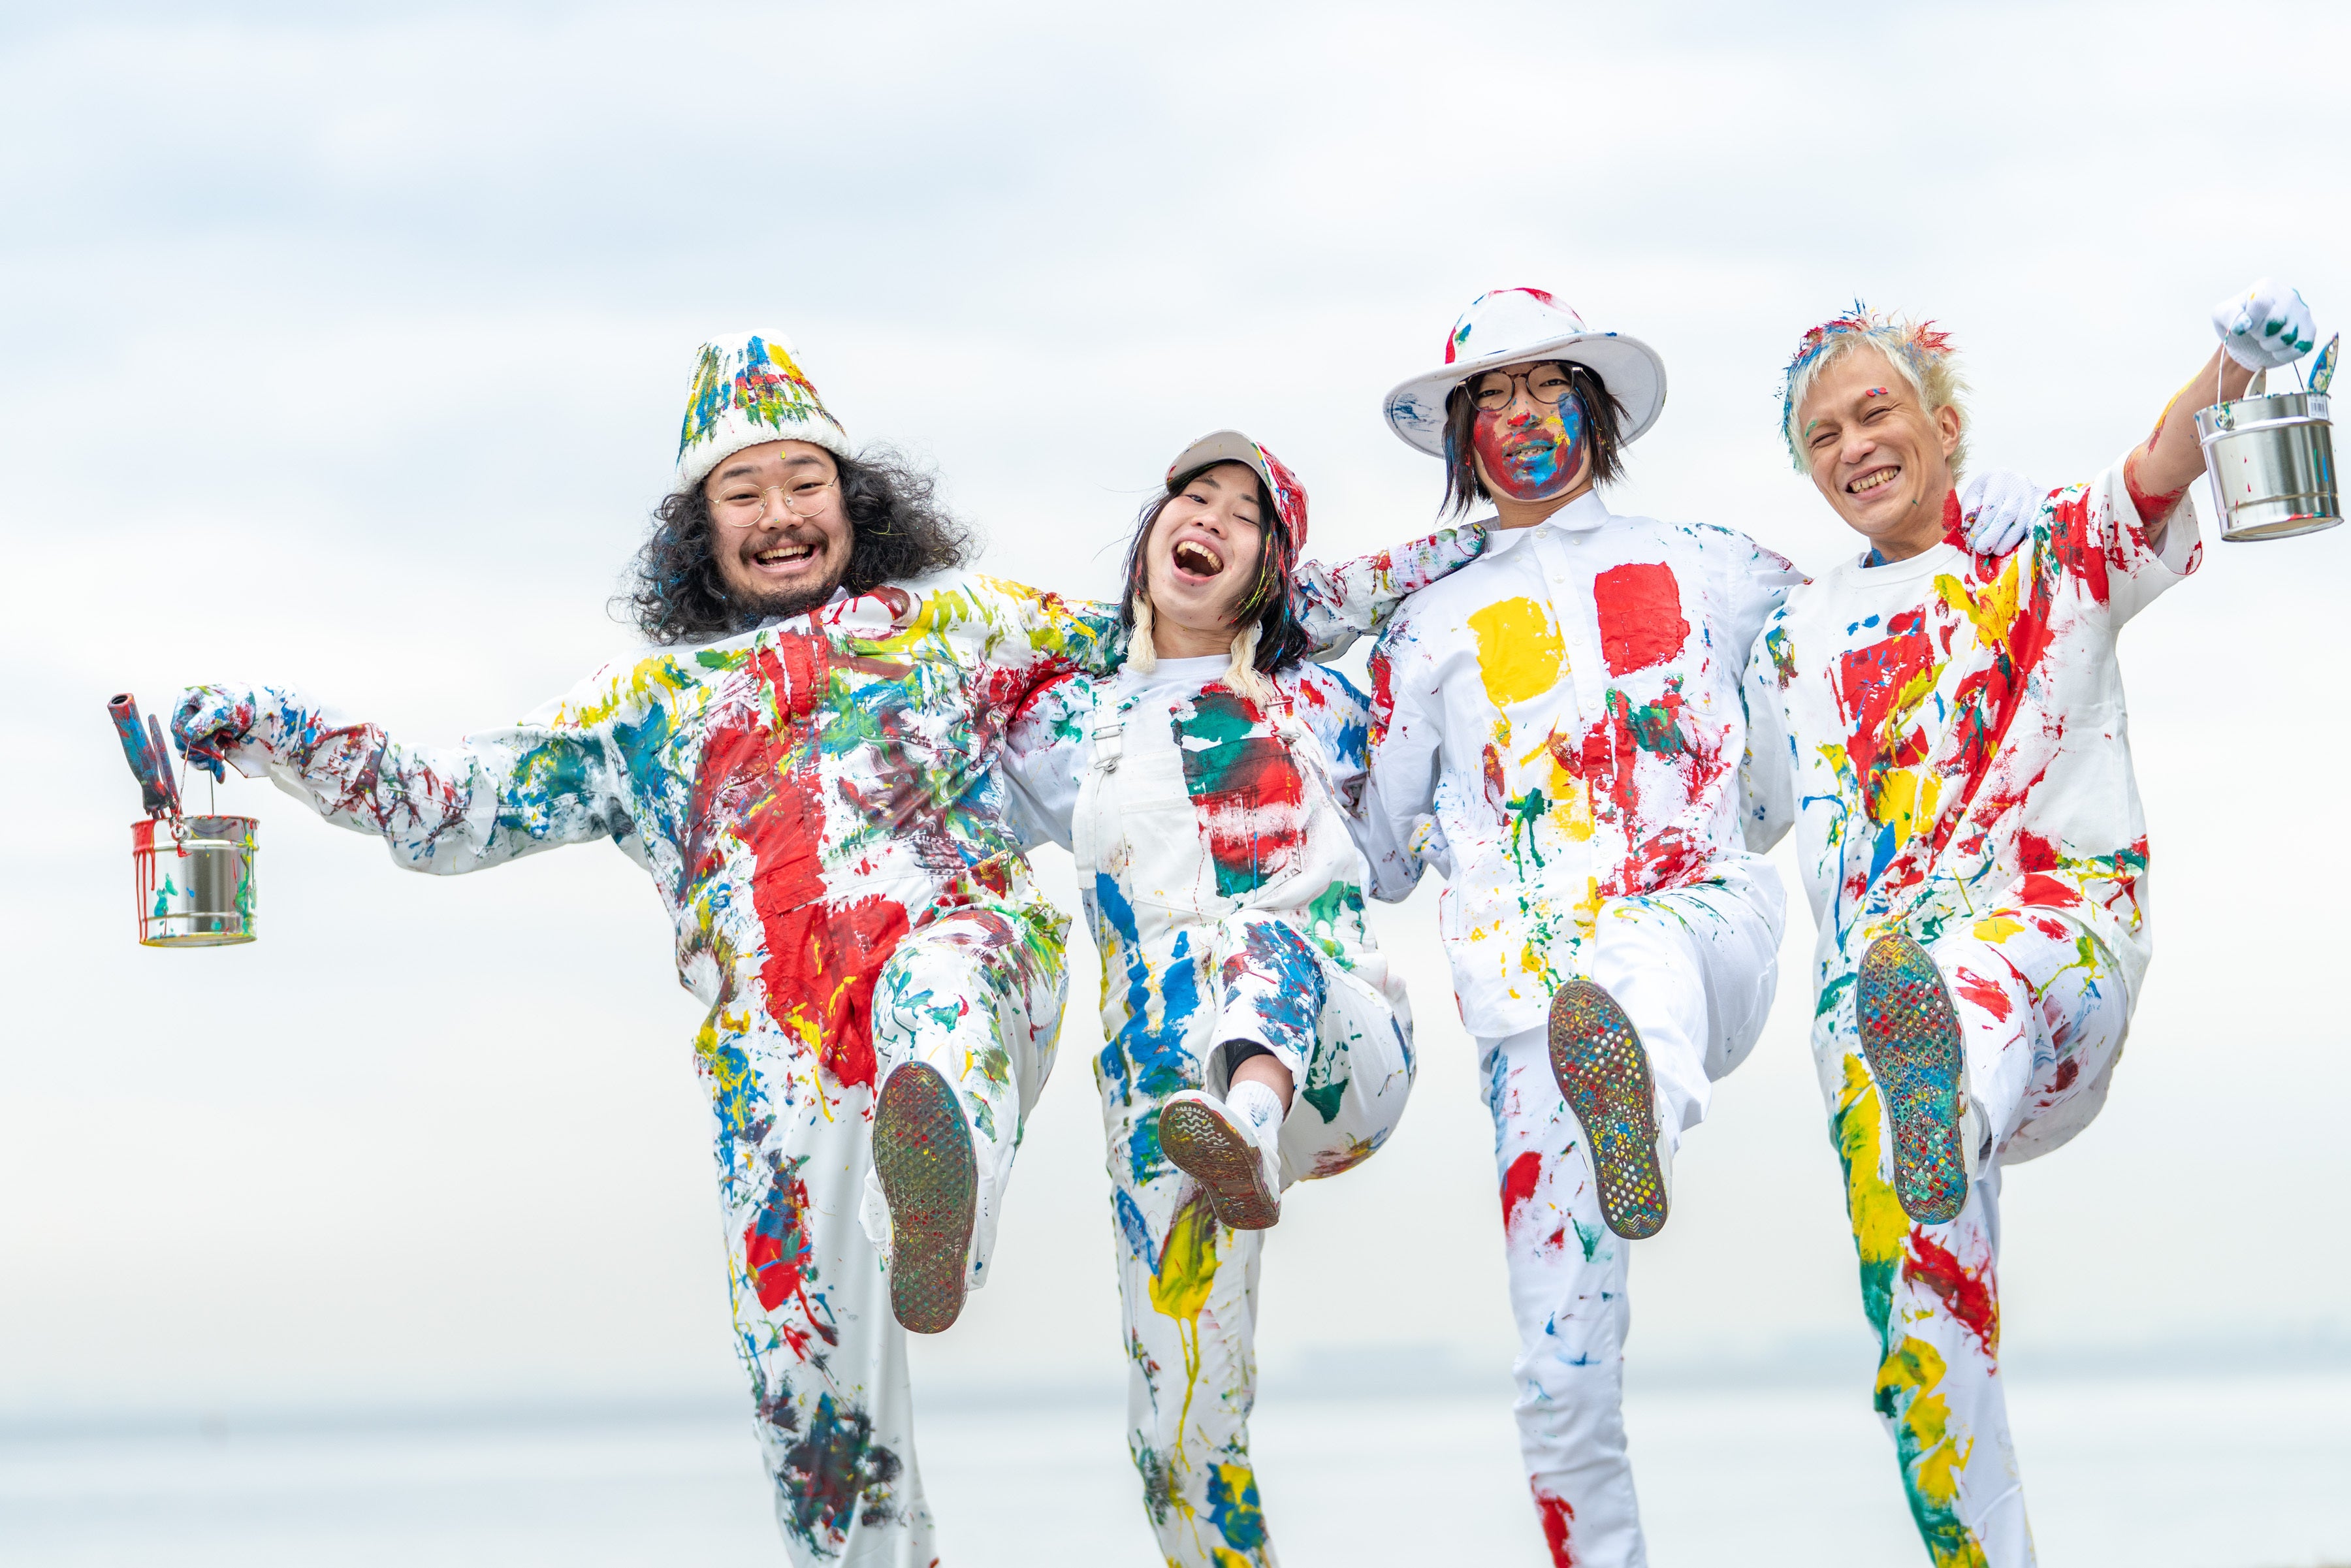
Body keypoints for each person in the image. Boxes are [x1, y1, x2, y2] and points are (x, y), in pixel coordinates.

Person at [168, 330, 1484, 1566]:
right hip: (777, 1061)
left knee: (942, 1000)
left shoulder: (957, 622)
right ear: (701, 529)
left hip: (959, 943)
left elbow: (1209, 610)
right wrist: (278, 732)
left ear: (856, 504)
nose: (781, 512)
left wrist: (1492, 541)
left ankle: (938, 1207)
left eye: (806, 481)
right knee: (820, 1442)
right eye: (743, 492)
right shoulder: (642, 711)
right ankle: (905, 1287)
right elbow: (446, 804)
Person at [1360, 287, 2034, 1567]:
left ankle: (1645, 1113)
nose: (1523, 415)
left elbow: (1867, 616)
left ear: (1598, 411)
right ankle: (1621, 1115)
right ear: (1459, 436)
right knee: (1559, 1376)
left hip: (1704, 922)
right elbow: (1384, 847)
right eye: (1492, 398)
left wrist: (1980, 514)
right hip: (1531, 1013)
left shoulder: (1713, 566)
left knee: (1640, 958)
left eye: (1549, 387)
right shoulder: (1424, 629)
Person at [1741, 278, 2317, 1567]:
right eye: (1823, 436)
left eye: (1875, 412)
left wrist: (2233, 364)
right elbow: (1719, 805)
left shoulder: (2041, 547)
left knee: (1960, 984)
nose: (1852, 447)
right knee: (1924, 1354)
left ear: (1945, 425)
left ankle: (1941, 1073)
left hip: (2053, 956)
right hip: (1875, 1033)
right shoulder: (1790, 638)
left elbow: (2160, 469)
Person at [1002, 432, 1434, 1567]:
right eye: (1194, 498)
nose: (1211, 519)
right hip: (1164, 1092)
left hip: (1337, 1051)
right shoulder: (1071, 722)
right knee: (1179, 1429)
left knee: (1252, 937)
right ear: (1151, 533)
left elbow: (1442, 619)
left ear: (1272, 573)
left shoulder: (1315, 700)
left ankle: (1249, 1117)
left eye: (1248, 516)